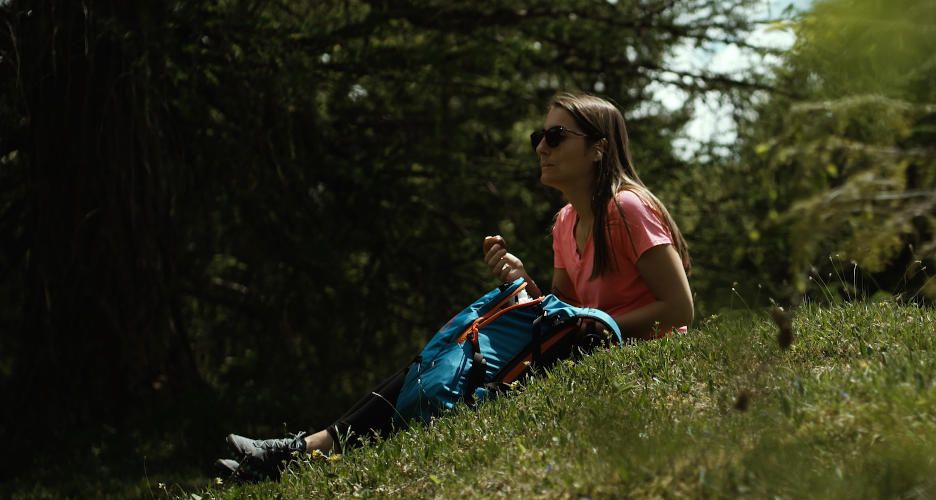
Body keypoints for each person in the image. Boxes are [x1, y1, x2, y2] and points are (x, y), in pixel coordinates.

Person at [217, 92, 693, 480]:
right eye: (538, 136)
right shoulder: (565, 221)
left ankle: (300, 451)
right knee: (452, 348)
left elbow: (679, 308)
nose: (541, 148)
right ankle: (303, 450)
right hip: (580, 345)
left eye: (555, 136)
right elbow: (563, 309)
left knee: (460, 359)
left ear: (598, 148)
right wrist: (521, 280)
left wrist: (599, 324)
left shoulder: (627, 210)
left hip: (626, 350)